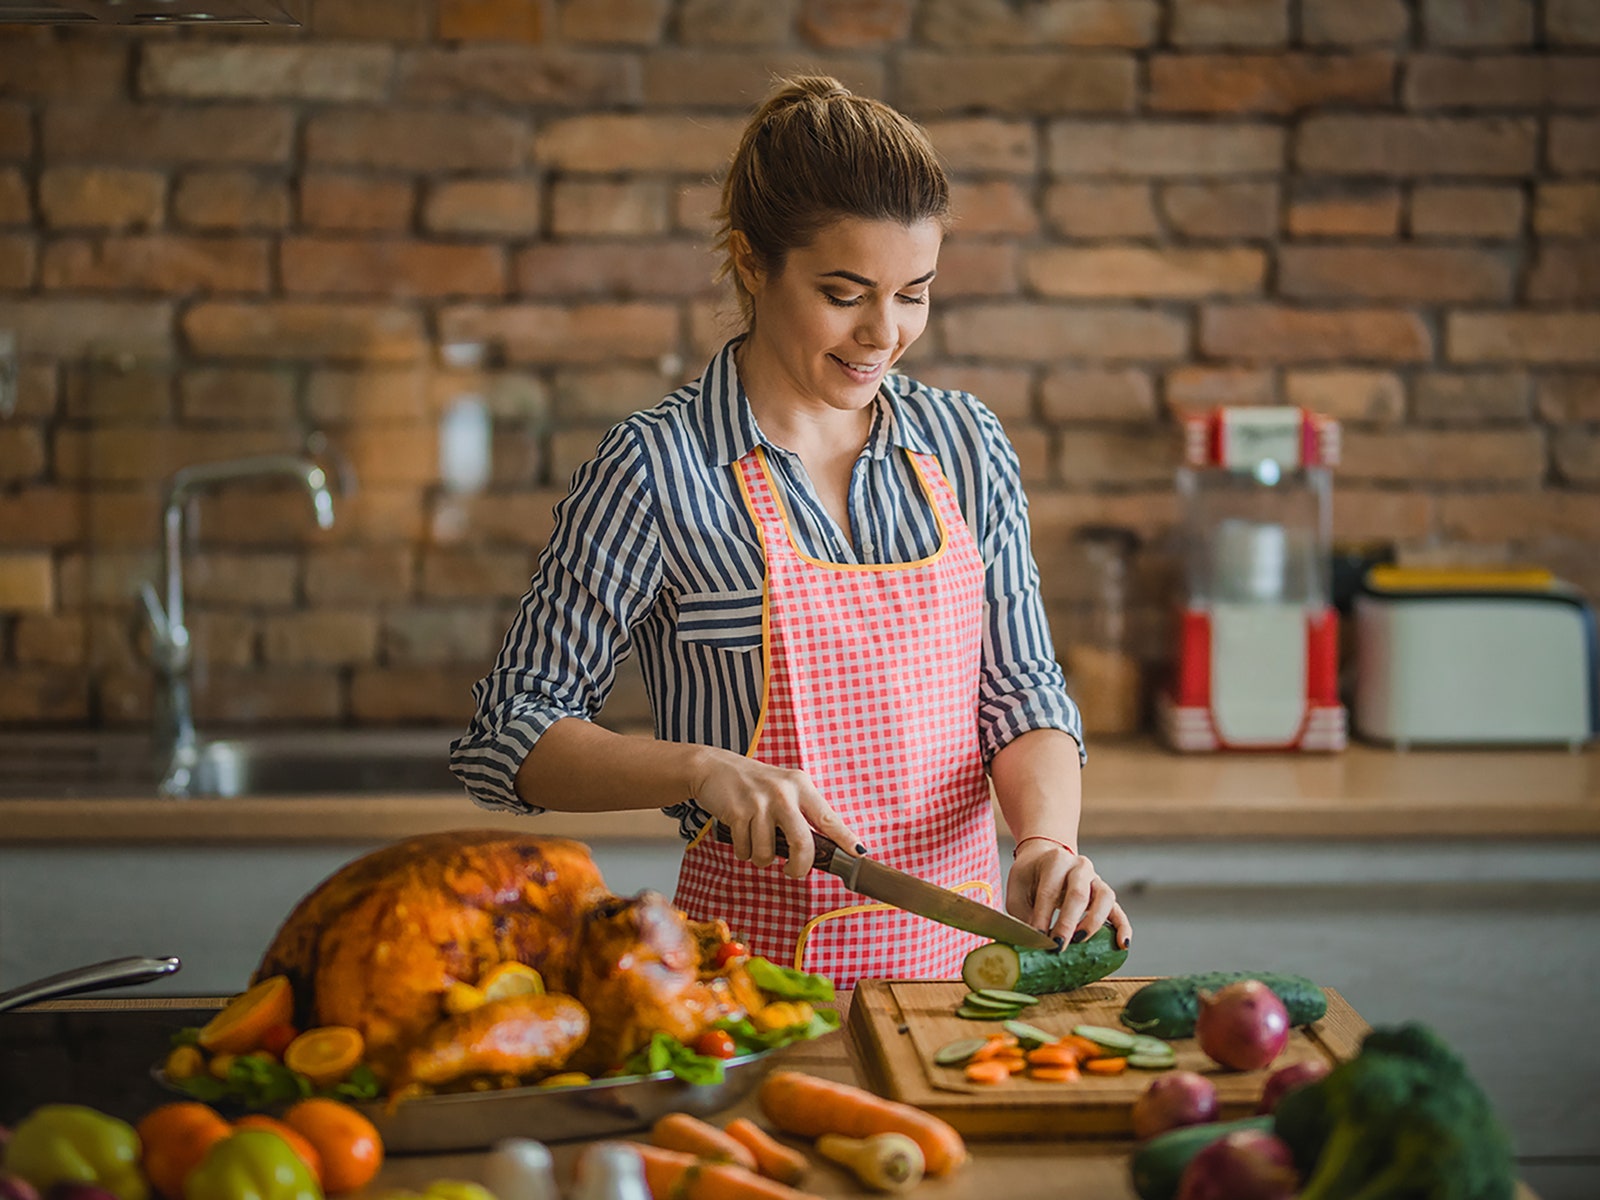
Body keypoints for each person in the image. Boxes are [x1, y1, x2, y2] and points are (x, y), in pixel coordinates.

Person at [451, 75, 1132, 990]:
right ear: (751, 260)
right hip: (749, 994)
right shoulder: (656, 468)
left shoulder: (965, 443)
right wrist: (700, 770)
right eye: (844, 293)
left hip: (963, 988)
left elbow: (1022, 691)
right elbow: (509, 734)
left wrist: (1048, 840)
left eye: (915, 294)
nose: (883, 334)